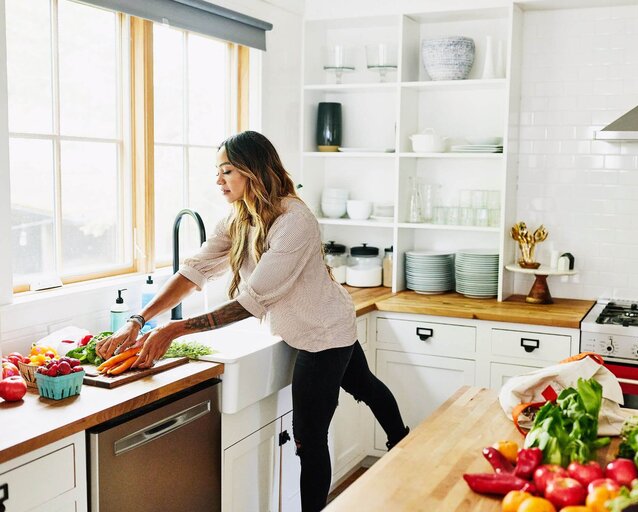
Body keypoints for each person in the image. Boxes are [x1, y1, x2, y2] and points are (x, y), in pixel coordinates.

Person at [96, 130, 409, 512]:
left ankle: (400, 447)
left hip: (322, 334)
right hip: (316, 323)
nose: (218, 180)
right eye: (218, 171)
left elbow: (251, 301)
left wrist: (175, 328)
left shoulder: (294, 221)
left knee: (308, 439)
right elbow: (194, 271)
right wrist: (138, 319)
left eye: (226, 171)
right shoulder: (239, 218)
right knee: (366, 385)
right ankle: (404, 444)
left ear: (253, 170)